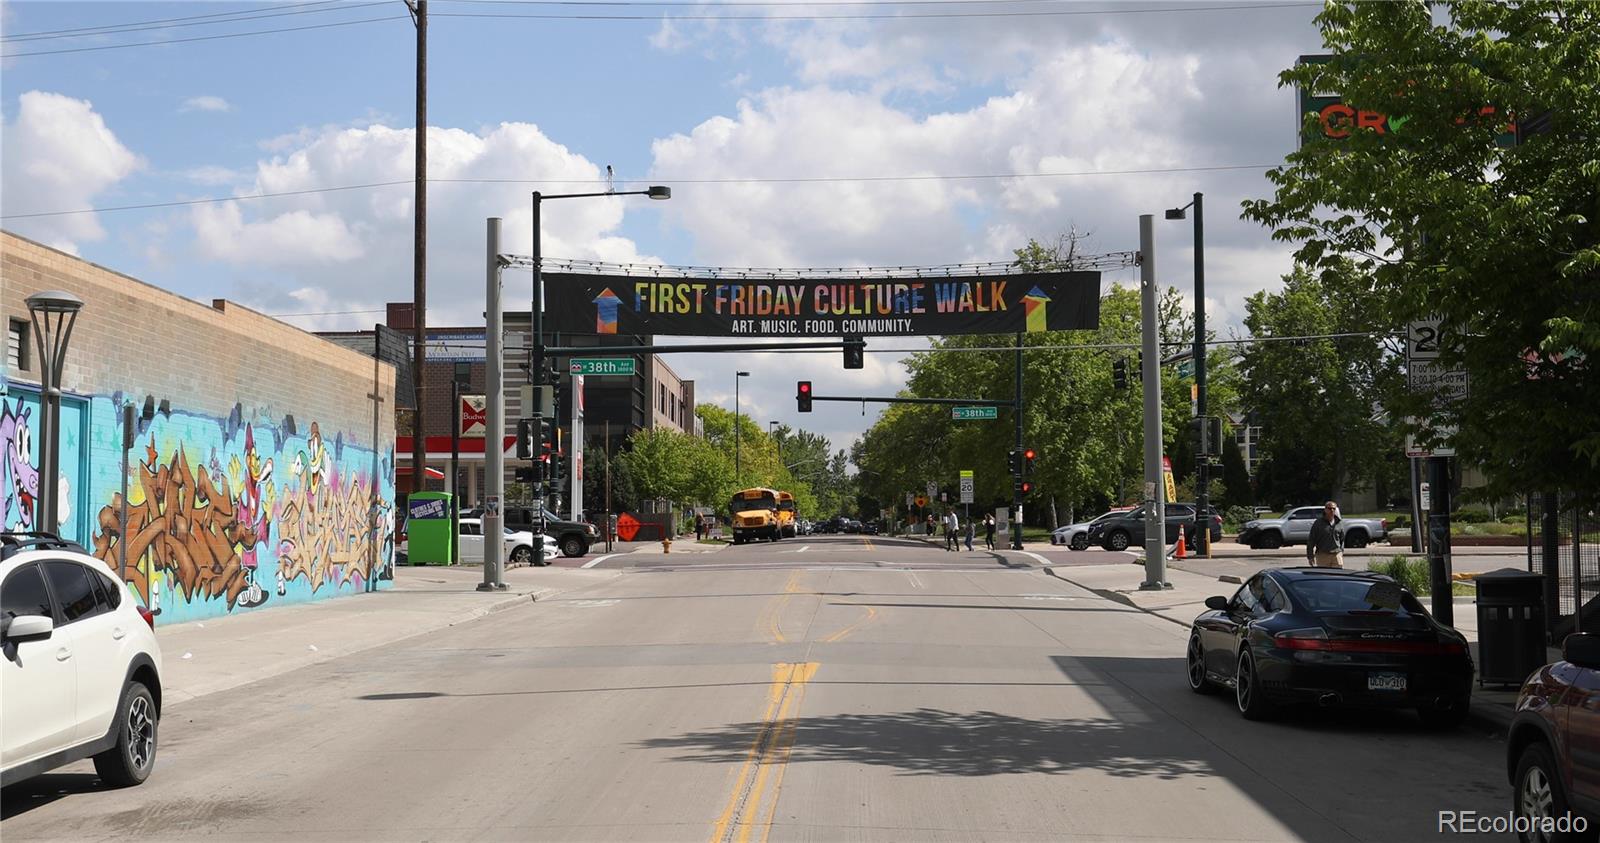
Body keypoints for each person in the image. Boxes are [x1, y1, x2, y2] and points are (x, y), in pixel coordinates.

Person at [1306, 500, 1345, 568]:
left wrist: (1341, 551)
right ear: (1325, 510)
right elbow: (1311, 540)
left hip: (1336, 554)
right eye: (1329, 508)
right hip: (1322, 555)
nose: (1332, 510)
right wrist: (1310, 556)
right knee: (1324, 574)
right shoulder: (1318, 523)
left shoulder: (1339, 523)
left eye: (1334, 508)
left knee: (1338, 574)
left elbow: (1342, 539)